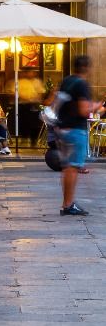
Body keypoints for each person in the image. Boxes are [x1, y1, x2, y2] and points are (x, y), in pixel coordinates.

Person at [58, 55, 98, 216]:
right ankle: (68, 205)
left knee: (67, 167)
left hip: (63, 129)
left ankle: (67, 203)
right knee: (73, 168)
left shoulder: (66, 81)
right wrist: (96, 107)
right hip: (76, 130)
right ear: (87, 68)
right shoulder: (82, 84)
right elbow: (83, 110)